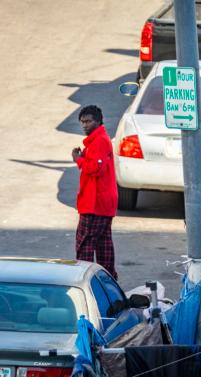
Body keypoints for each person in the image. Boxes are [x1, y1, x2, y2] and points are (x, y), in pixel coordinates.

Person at [72, 105, 118, 279]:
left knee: (85, 245)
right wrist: (82, 157)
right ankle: (108, 281)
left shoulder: (99, 141)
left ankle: (83, 281)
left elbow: (94, 168)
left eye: (88, 121)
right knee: (103, 245)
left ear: (98, 121)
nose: (85, 125)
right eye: (82, 122)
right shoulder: (97, 141)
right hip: (101, 204)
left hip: (95, 205)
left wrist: (79, 160)